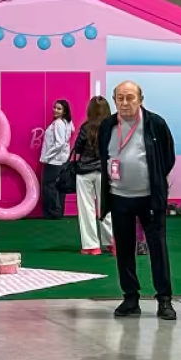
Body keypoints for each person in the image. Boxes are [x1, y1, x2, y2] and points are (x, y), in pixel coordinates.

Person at [99, 81, 178, 321]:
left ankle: (164, 300)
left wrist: (152, 180)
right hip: (119, 197)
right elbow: (104, 156)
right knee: (124, 250)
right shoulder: (107, 126)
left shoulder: (156, 124)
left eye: (130, 98)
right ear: (114, 100)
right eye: (120, 98)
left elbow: (168, 158)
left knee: (157, 248)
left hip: (150, 198)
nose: (125, 103)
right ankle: (130, 298)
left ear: (140, 100)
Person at [73, 96, 114, 255]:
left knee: (86, 208)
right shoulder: (112, 127)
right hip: (104, 171)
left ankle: (91, 246)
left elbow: (77, 148)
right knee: (107, 208)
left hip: (84, 171)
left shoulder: (86, 127)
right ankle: (112, 242)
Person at [39, 99, 74, 219]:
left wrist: (46, 156)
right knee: (58, 187)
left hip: (54, 161)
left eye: (59, 108)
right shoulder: (67, 122)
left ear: (64, 111)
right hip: (63, 160)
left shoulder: (58, 123)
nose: (55, 110)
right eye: (55, 107)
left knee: (49, 186)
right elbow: (71, 131)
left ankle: (53, 213)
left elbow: (59, 143)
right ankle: (58, 212)